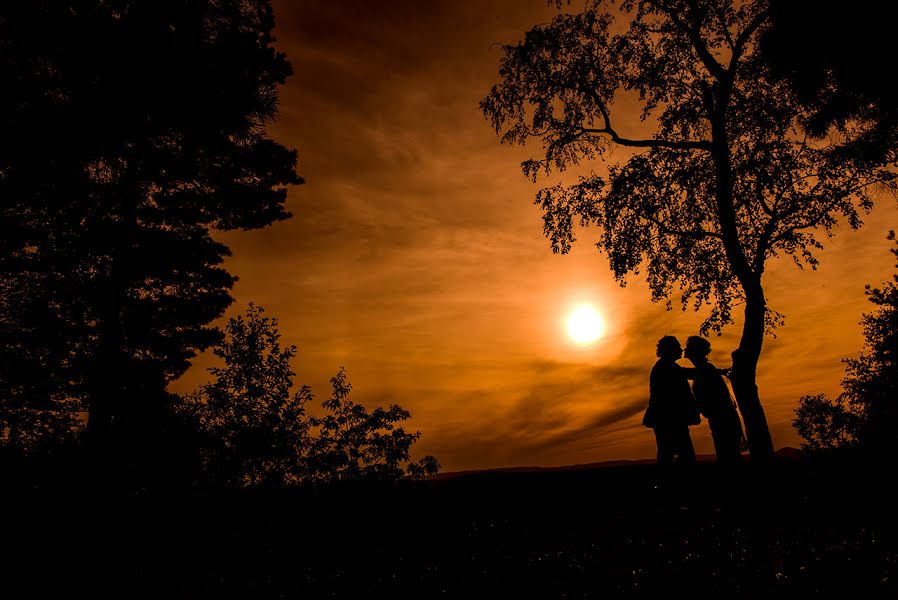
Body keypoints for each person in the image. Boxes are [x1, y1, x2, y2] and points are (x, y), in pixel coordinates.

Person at [683, 336, 745, 466]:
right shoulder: (705, 369)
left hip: (722, 419)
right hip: (720, 419)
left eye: (689, 349)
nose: (685, 351)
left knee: (728, 459)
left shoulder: (705, 370)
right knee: (728, 458)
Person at [643, 336, 701, 469]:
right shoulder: (665, 367)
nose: (681, 350)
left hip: (669, 419)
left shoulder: (669, 366)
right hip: (668, 419)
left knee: (671, 454)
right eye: (677, 347)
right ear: (669, 350)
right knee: (677, 455)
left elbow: (688, 373)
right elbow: (688, 373)